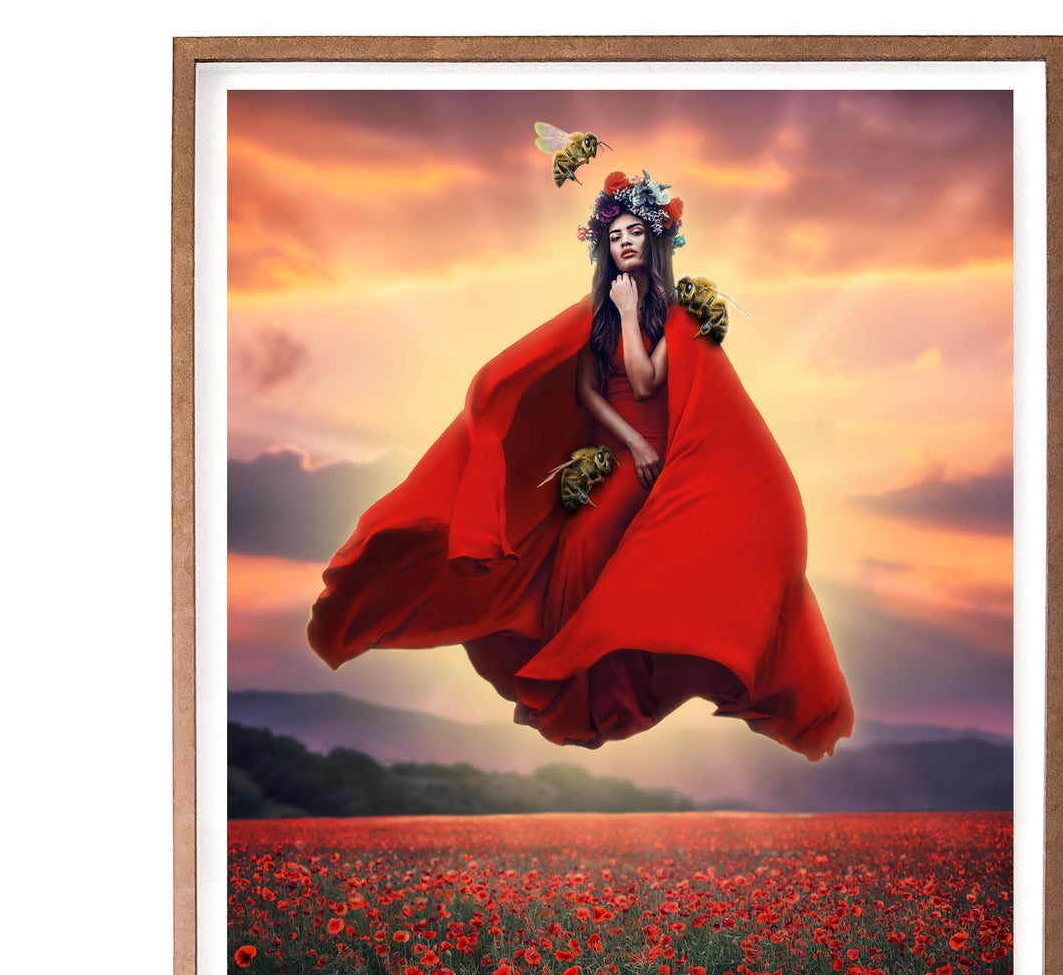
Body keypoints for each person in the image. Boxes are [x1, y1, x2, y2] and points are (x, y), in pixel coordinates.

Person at [306, 162, 853, 760]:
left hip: (660, 467)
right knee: (571, 548)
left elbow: (644, 383)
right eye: (614, 234)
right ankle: (582, 689)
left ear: (655, 242)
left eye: (634, 232)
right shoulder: (595, 313)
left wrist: (626, 331)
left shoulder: (678, 316)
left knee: (598, 546)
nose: (623, 242)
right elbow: (590, 391)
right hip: (622, 453)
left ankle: (608, 690)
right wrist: (628, 439)